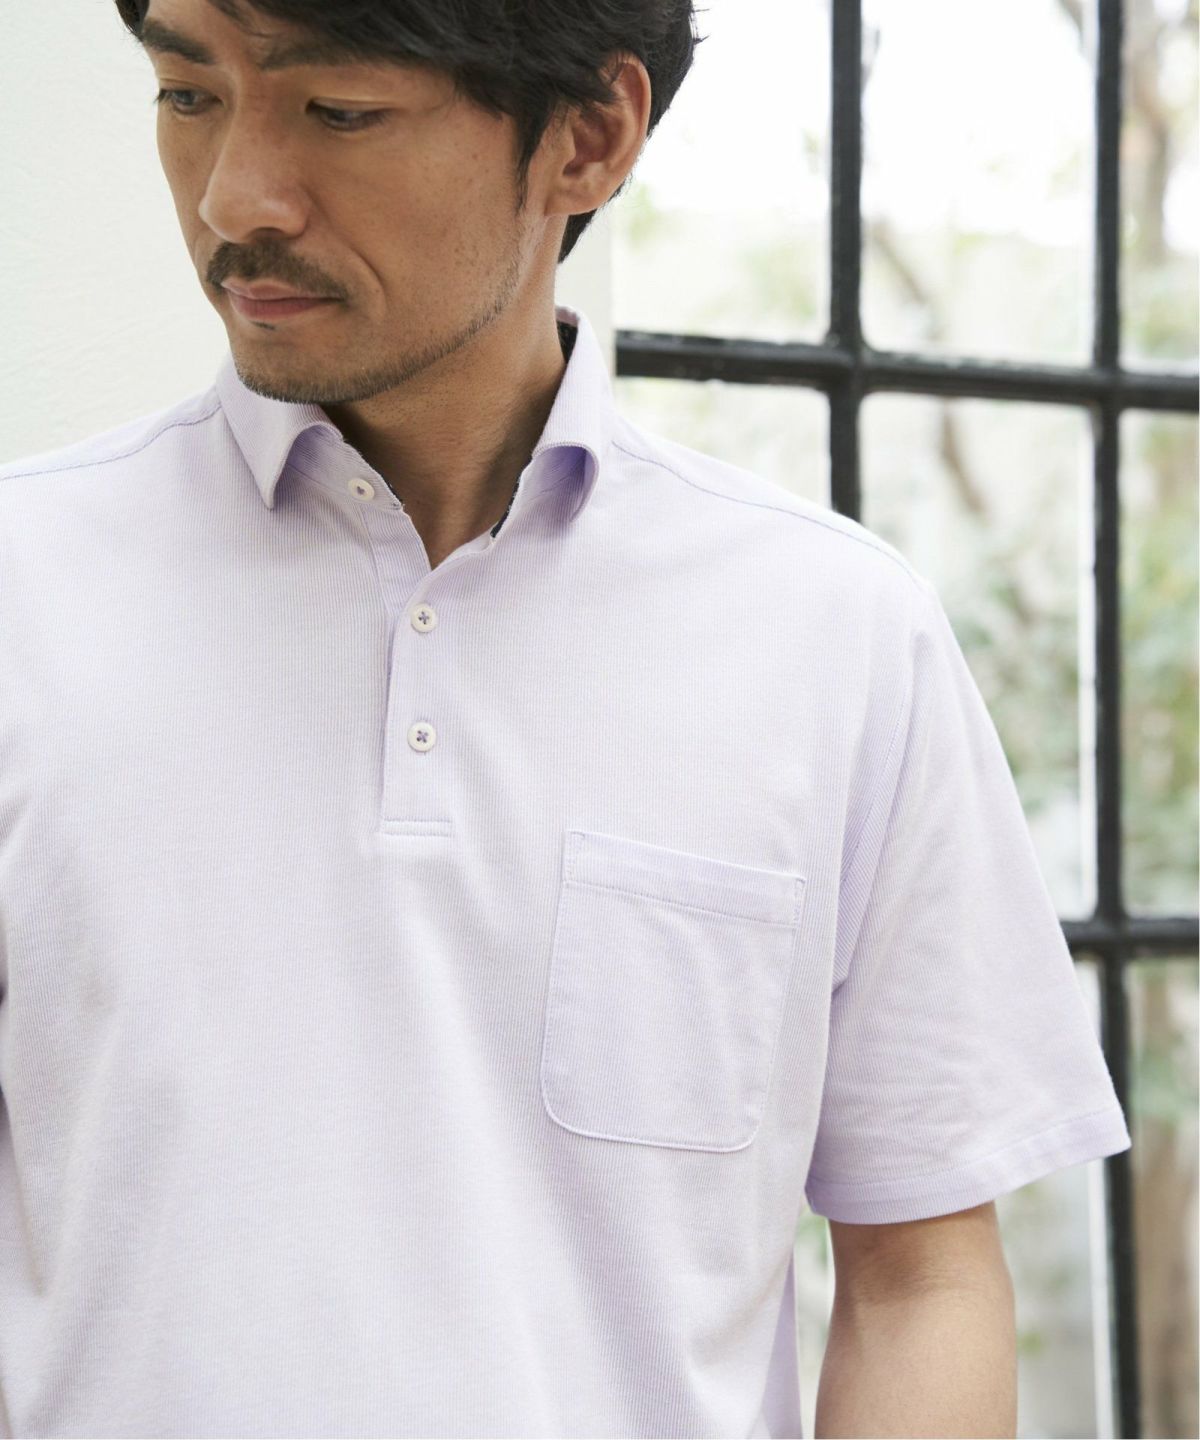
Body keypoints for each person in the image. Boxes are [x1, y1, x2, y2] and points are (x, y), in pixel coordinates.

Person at [0, 1, 1132, 1436]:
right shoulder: (23, 590)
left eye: (338, 111)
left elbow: (920, 1280)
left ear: (588, 139)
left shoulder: (837, 636)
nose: (236, 199)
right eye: (186, 95)